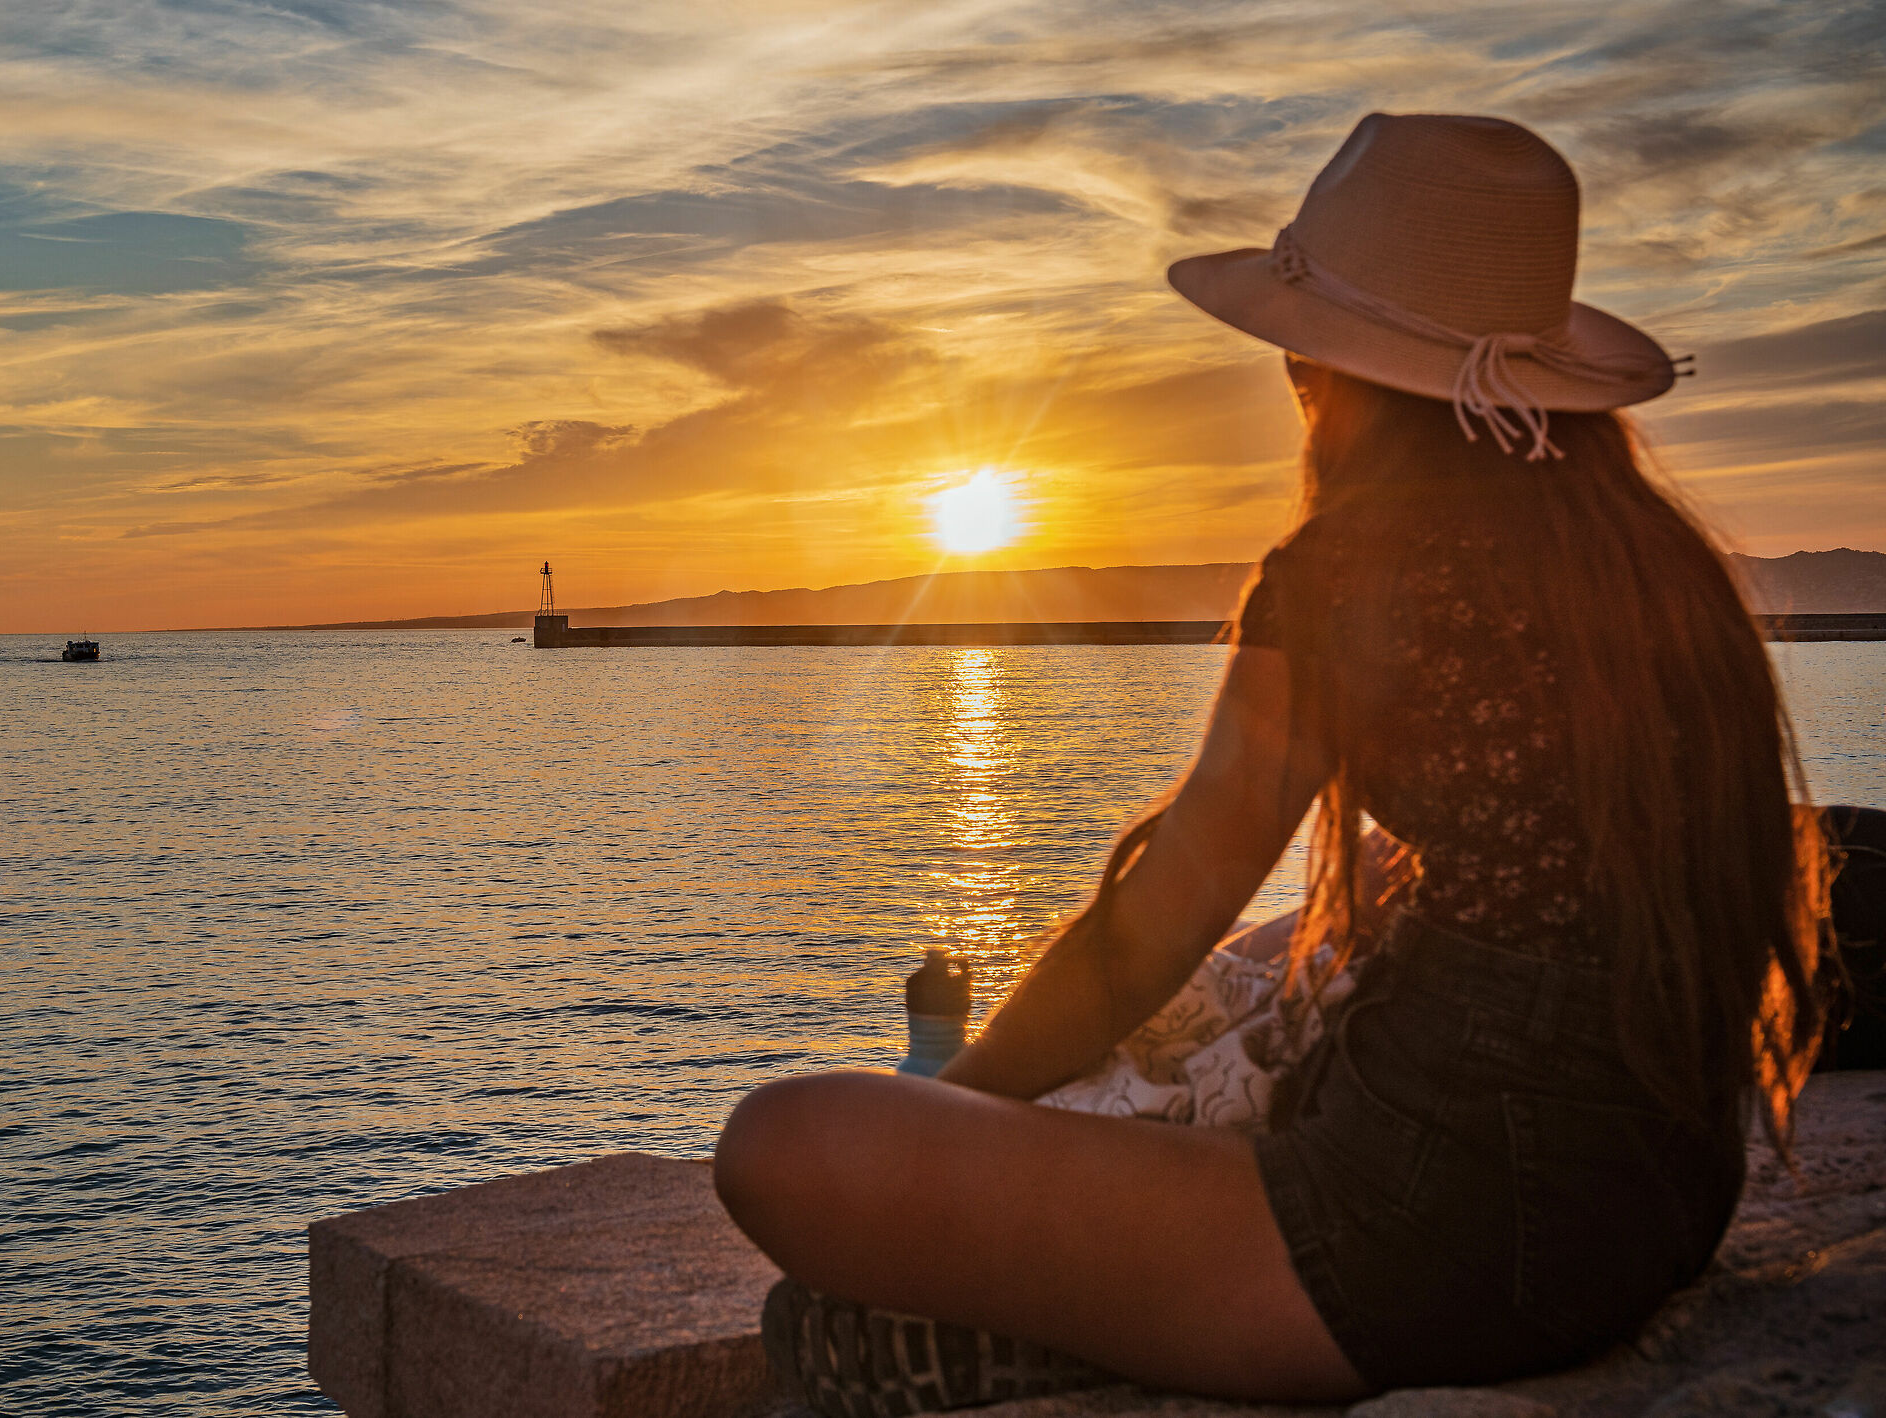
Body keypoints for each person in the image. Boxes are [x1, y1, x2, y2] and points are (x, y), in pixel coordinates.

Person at [712, 113, 1832, 1413]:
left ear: (1329, 369)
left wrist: (954, 1121)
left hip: (1422, 1228)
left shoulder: (1356, 570)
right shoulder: (1654, 560)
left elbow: (1154, 925)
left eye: (1303, 365)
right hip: (1651, 1206)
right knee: (845, 1308)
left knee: (786, 1147)